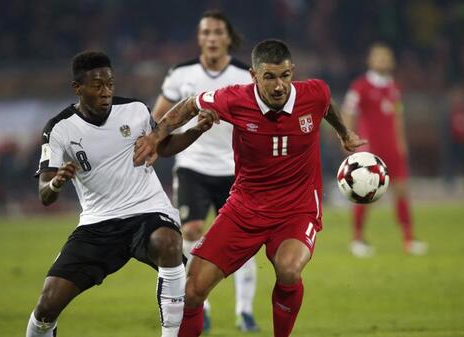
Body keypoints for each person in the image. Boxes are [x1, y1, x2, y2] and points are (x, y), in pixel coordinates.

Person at [135, 39, 366, 337]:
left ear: (292, 72)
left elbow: (326, 105)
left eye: (285, 75)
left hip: (297, 209)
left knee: (288, 269)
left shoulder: (314, 92)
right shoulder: (234, 99)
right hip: (245, 208)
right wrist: (156, 136)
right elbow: (191, 103)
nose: (279, 85)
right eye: (269, 77)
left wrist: (344, 134)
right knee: (191, 291)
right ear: (254, 76)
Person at [25, 51, 212, 337]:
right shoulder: (59, 129)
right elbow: (44, 194)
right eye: (97, 85)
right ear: (78, 88)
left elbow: (163, 147)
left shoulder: (135, 110)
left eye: (110, 84)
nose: (106, 92)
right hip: (98, 224)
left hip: (147, 211)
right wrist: (57, 183)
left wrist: (198, 129)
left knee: (169, 242)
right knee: (46, 307)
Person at [151, 10, 259, 332]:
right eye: (206, 33)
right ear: (199, 38)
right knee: (192, 232)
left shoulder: (243, 75)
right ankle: (202, 306)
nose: (211, 38)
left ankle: (244, 311)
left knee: (243, 240)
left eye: (217, 33)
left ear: (228, 38)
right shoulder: (180, 73)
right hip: (193, 167)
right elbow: (159, 119)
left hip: (236, 169)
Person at [341, 42, 427, 257]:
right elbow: (348, 111)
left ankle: (408, 239)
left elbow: (397, 116)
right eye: (379, 57)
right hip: (370, 149)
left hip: (392, 148)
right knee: (364, 193)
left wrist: (401, 143)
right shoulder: (360, 86)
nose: (383, 60)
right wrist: (347, 137)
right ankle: (357, 240)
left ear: (392, 61)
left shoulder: (394, 87)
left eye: (386, 57)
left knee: (402, 191)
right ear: (370, 61)